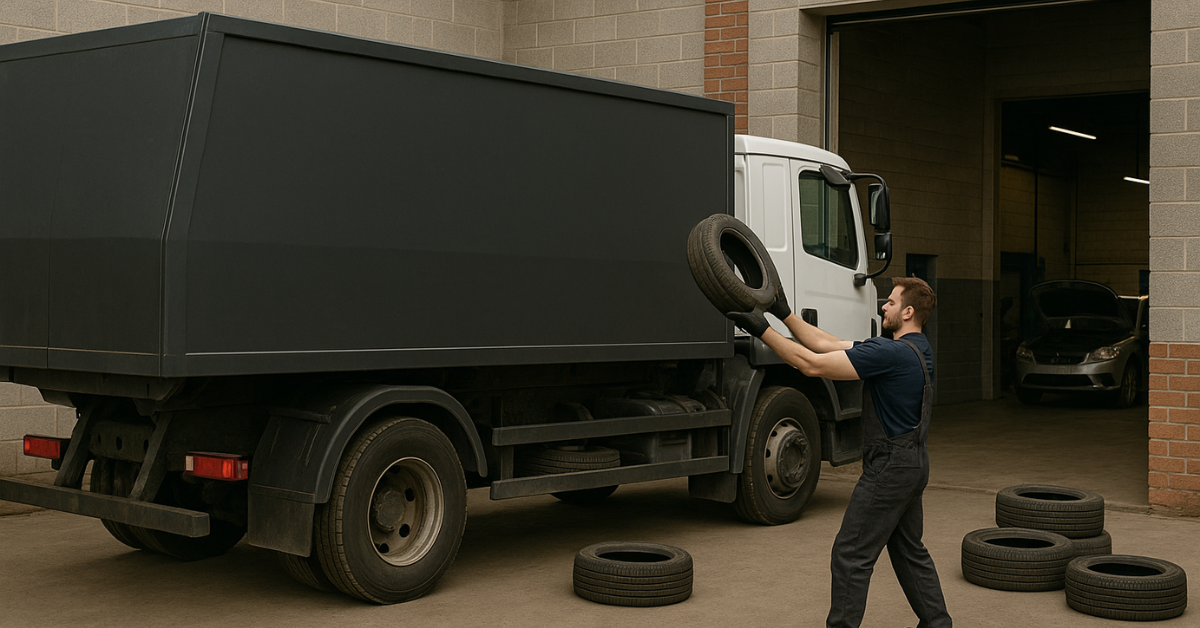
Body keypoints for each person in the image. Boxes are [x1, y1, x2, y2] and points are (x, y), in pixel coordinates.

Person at [726, 276, 952, 628]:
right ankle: (939, 624)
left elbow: (810, 365)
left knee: (850, 555)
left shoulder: (889, 353)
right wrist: (783, 314)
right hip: (914, 465)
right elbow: (824, 343)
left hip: (890, 469)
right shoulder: (917, 349)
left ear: (908, 311)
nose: (883, 307)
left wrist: (760, 330)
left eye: (890, 303)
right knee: (909, 551)